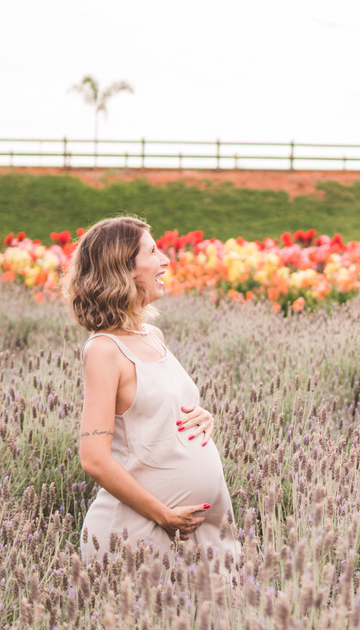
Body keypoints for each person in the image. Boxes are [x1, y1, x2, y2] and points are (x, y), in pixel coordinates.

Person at [62, 215, 240, 562]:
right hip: (139, 534)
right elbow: (94, 458)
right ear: (124, 269)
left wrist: (201, 417)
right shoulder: (104, 349)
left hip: (199, 530)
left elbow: (154, 408)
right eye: (154, 252)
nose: (165, 261)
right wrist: (164, 515)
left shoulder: (153, 336)